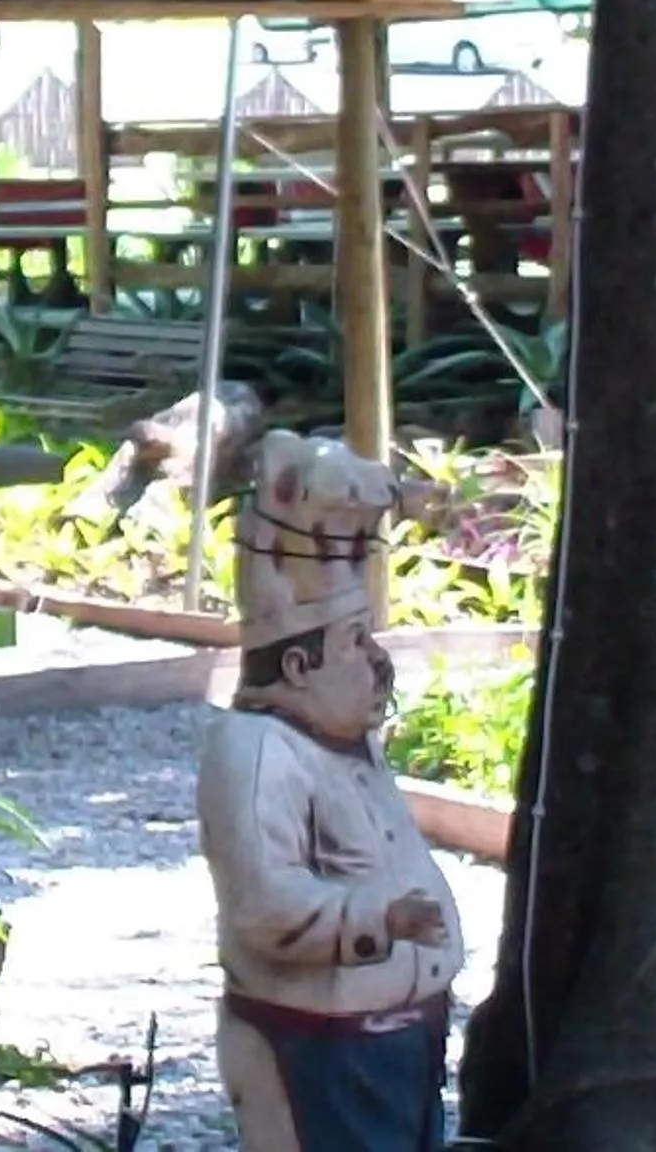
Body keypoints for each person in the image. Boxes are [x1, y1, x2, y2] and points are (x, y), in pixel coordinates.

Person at [197, 431, 462, 1152]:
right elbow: (263, 908)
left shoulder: (351, 746)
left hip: (400, 1037)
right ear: (297, 665)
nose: (380, 665)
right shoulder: (253, 752)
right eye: (356, 645)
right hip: (319, 1045)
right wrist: (376, 920)